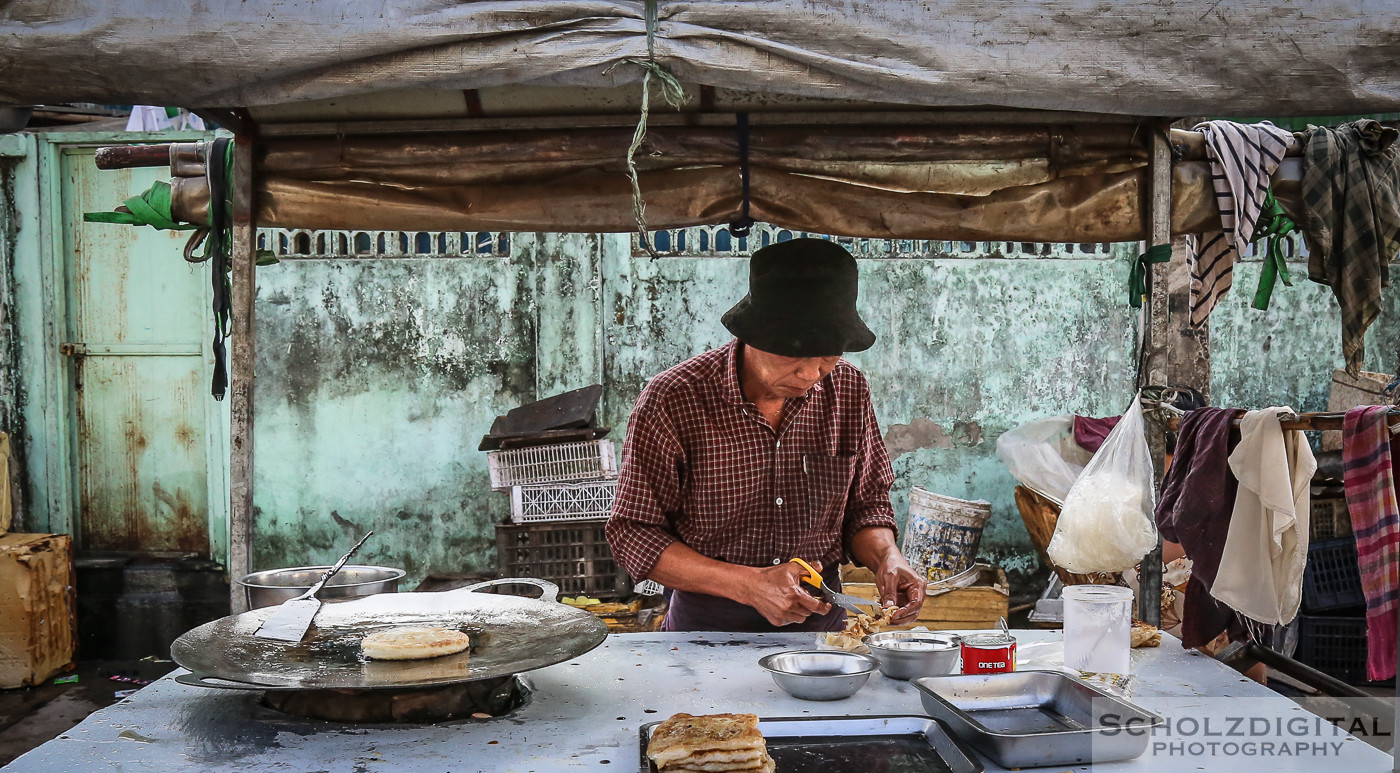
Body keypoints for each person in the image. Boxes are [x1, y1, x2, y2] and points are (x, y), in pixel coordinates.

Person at [605, 238, 925, 632]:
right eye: (793, 356)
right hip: (707, 626)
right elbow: (633, 533)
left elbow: (866, 506)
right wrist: (749, 585)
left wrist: (887, 557)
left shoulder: (848, 390)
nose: (810, 376)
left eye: (827, 357)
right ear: (753, 336)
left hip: (823, 625)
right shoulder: (673, 399)